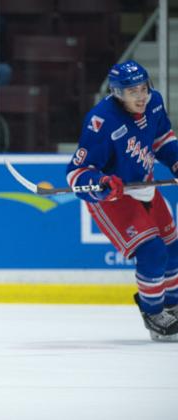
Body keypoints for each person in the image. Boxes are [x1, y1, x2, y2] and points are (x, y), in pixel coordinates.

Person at [66, 60, 178, 342]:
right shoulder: (101, 121)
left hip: (146, 188)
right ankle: (153, 313)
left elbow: (162, 139)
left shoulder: (154, 104)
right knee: (152, 252)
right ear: (117, 92)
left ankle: (173, 307)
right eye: (132, 91)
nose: (140, 96)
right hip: (114, 199)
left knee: (174, 249)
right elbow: (76, 173)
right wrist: (102, 184)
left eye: (143, 88)